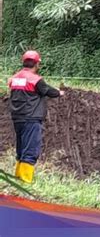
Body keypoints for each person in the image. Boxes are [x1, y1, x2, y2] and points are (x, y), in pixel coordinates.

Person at [7, 50, 65, 183]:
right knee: (31, 148)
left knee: (21, 147)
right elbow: (47, 90)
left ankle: (18, 176)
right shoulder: (36, 79)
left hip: (17, 117)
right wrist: (59, 93)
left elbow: (12, 84)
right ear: (36, 64)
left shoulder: (15, 78)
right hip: (31, 118)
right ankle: (26, 180)